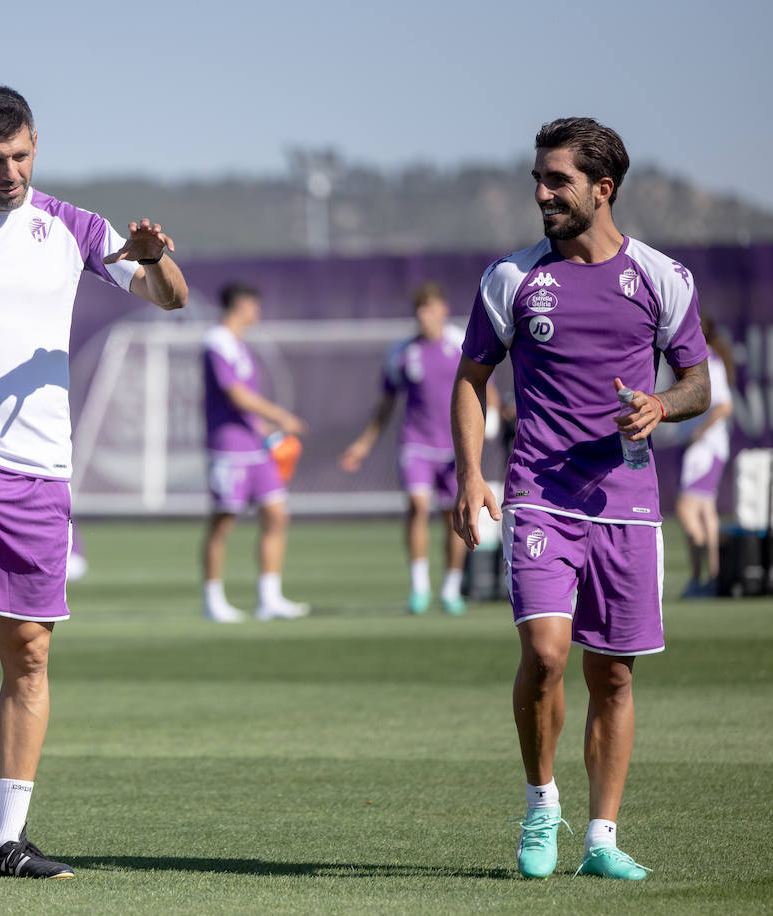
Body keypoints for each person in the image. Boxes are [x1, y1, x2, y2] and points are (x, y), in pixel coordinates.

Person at [0, 86, 186, 881]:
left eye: (21, 155)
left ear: (35, 146)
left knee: (27, 656)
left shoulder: (74, 227)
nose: (10, 171)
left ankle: (9, 838)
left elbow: (171, 298)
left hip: (40, 475)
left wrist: (154, 257)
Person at [451, 117, 710, 882]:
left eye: (557, 179)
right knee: (545, 653)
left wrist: (662, 405)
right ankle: (541, 806)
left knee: (616, 676)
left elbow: (699, 381)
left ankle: (600, 838)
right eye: (538, 177)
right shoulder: (512, 277)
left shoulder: (663, 278)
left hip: (627, 505)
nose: (541, 193)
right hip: (538, 496)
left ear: (603, 190)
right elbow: (470, 379)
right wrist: (470, 477)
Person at [340, 283, 498, 615]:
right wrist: (363, 444)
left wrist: (493, 420)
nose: (423, 316)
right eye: (418, 310)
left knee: (452, 516)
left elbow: (483, 385)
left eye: (429, 308)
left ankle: (451, 588)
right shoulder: (402, 352)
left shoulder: (460, 343)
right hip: (416, 443)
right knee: (416, 505)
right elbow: (386, 404)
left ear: (442, 309)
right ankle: (419, 587)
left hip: (454, 447)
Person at [200, 282, 309, 623]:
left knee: (277, 515)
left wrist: (264, 430)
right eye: (254, 305)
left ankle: (269, 597)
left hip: (254, 446)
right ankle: (213, 600)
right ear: (241, 305)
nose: (257, 312)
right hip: (229, 447)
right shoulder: (217, 341)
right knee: (223, 523)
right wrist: (279, 415)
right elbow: (236, 394)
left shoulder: (240, 345)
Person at [674, 316, 734, 597]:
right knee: (707, 513)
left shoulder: (710, 361)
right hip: (702, 447)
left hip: (707, 448)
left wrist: (700, 431)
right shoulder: (696, 361)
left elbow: (723, 406)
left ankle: (706, 580)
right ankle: (708, 578)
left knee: (687, 510)